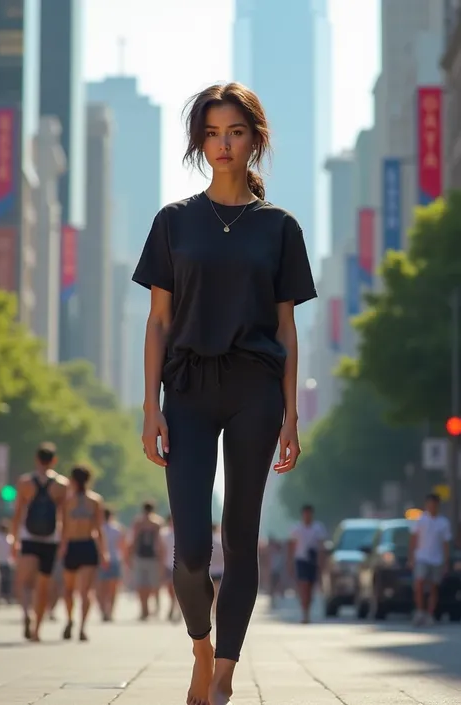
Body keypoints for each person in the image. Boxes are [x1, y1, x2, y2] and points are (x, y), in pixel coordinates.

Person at [133, 82, 316, 705]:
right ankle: (201, 648)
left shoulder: (280, 228)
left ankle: (226, 675)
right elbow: (158, 321)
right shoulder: (173, 221)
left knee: (240, 536)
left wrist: (291, 417)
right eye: (212, 133)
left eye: (235, 132)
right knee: (189, 550)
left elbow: (287, 328)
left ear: (255, 138)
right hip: (185, 388)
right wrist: (150, 406)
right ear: (199, 142)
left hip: (254, 390)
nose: (223, 144)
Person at [11, 442, 68, 641]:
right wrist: (64, 542)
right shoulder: (61, 484)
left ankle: (26, 613)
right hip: (50, 539)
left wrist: (14, 540)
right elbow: (64, 515)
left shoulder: (25, 482)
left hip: (29, 537)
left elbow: (18, 512)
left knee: (24, 582)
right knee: (42, 586)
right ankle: (37, 630)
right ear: (54, 460)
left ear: (37, 459)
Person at [59, 465, 108, 641]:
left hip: (76, 545)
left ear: (72, 479)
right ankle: (78, 624)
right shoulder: (94, 500)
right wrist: (103, 552)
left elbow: (64, 528)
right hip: (85, 545)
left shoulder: (70, 501)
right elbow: (99, 530)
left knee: (70, 589)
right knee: (83, 590)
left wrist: (62, 547)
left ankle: (76, 622)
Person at [409, 492, 451, 626]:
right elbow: (414, 539)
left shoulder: (443, 523)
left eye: (434, 505)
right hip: (422, 557)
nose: (431, 507)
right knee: (419, 583)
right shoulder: (421, 520)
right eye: (429, 504)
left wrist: (446, 562)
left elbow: (445, 544)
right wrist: (411, 557)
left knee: (433, 587)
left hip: (436, 559)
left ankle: (429, 614)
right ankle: (420, 611)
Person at [289, 505, 326, 624]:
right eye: (305, 514)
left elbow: (321, 547)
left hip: (313, 561)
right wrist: (289, 563)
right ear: (302, 515)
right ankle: (304, 613)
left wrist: (322, 562)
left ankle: (307, 610)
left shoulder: (318, 528)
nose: (307, 516)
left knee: (310, 588)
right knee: (303, 586)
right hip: (301, 560)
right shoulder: (297, 529)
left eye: (309, 514)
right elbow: (292, 547)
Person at [128, 501, 164, 620]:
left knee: (142, 585)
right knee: (153, 584)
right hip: (152, 557)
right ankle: (152, 609)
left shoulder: (138, 522)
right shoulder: (157, 522)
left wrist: (129, 555)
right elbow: (160, 543)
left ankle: (145, 610)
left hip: (141, 556)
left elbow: (133, 540)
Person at [96, 507, 125, 621]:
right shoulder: (118, 528)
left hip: (101, 560)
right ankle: (110, 612)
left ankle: (103, 610)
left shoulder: (98, 528)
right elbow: (122, 545)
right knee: (113, 589)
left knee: (100, 588)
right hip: (115, 559)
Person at [160, 514, 180, 621]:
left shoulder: (182, 532)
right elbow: (160, 549)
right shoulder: (164, 533)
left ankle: (177, 608)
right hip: (168, 563)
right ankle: (173, 604)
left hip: (180, 564)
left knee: (179, 588)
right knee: (169, 588)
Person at [210, 524, 225, 617]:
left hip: (210, 570)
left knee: (211, 593)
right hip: (220, 570)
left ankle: (212, 609)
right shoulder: (220, 540)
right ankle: (215, 610)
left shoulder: (206, 540)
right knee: (217, 593)